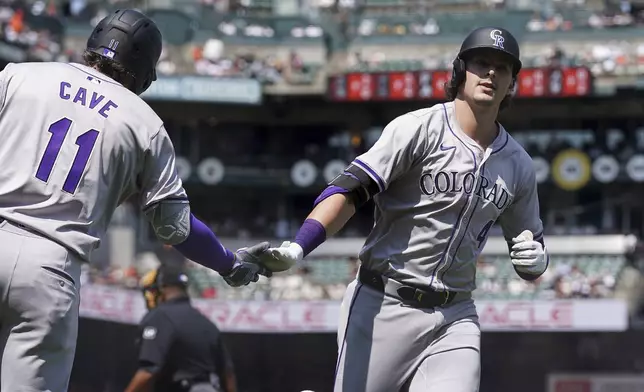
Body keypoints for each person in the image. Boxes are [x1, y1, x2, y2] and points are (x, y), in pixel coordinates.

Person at [263, 26, 549, 392]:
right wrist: (298, 245)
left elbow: (531, 244)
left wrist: (536, 262)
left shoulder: (519, 165)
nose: (491, 73)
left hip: (455, 314)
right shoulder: (418, 129)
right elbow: (350, 191)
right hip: (383, 304)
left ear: (512, 82)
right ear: (460, 70)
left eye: (503, 67)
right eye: (481, 62)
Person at [0, 9, 269, 392]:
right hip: (51, 268)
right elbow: (174, 228)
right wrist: (227, 262)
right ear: (145, 69)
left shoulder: (21, 74)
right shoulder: (144, 122)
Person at [126, 263, 237, 392]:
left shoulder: (160, 317)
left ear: (161, 288)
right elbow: (228, 373)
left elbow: (148, 372)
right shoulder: (206, 323)